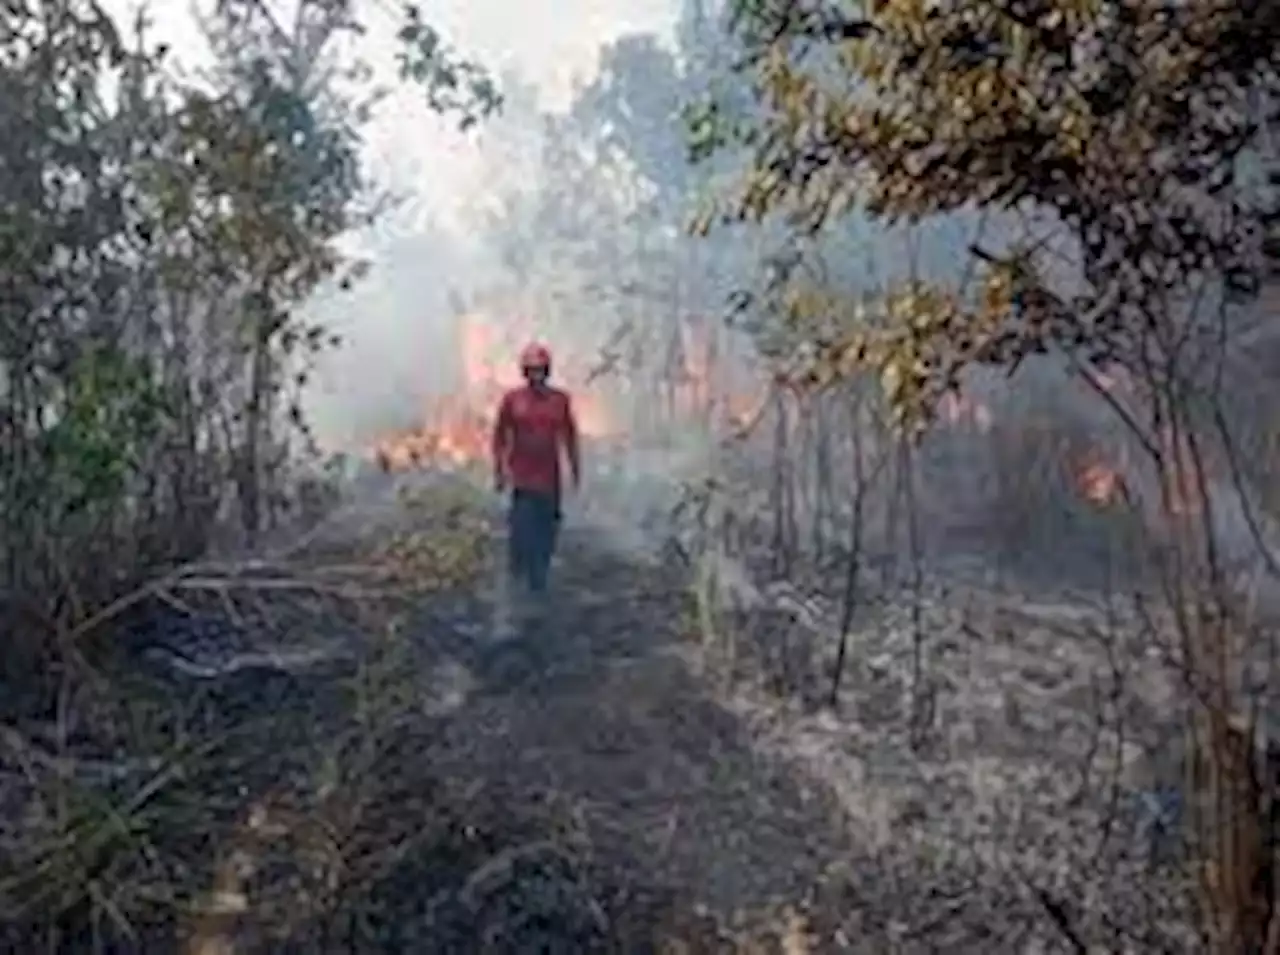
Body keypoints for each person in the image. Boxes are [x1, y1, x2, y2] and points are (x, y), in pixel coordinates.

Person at [491, 342, 580, 597]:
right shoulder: (513, 400)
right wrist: (499, 471)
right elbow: (499, 436)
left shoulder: (560, 400)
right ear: (524, 372)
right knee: (520, 529)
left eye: (540, 370)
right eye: (531, 370)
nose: (536, 376)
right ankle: (516, 579)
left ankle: (538, 580)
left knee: (548, 530)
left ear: (548, 371)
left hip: (550, 480)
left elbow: (569, 437)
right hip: (522, 479)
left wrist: (575, 470)